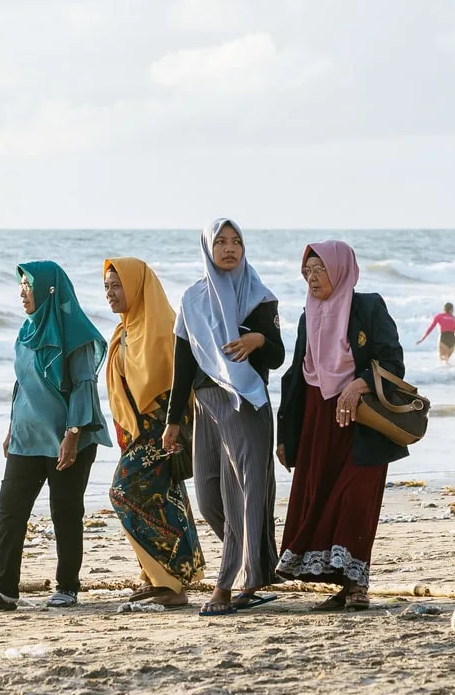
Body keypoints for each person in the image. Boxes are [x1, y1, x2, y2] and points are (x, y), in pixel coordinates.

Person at [0, 261, 112, 611]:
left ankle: (67, 586)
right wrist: (11, 428)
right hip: (27, 438)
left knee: (64, 512)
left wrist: (73, 434)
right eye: (20, 285)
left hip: (68, 438)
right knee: (11, 509)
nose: (22, 292)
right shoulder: (26, 331)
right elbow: (23, 384)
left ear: (48, 289)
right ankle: (5, 590)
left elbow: (83, 386)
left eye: (28, 285)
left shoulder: (73, 332)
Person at [276, 241, 407, 611]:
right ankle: (343, 586)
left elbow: (393, 361)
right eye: (307, 272)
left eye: (320, 269)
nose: (313, 278)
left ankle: (357, 585)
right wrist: (285, 436)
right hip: (319, 422)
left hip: (363, 422)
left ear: (339, 269)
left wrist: (359, 383)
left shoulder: (368, 306)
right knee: (321, 499)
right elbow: (297, 377)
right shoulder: (308, 314)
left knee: (355, 499)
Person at [163, 218, 284, 616]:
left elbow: (278, 357)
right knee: (209, 496)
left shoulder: (259, 297)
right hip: (205, 405)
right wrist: (173, 420)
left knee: (241, 498)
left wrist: (258, 339)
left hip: (246, 403)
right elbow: (182, 364)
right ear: (207, 248)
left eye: (236, 241)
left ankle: (227, 586)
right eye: (221, 242)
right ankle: (258, 568)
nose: (229, 248)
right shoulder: (192, 299)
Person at [104, 257, 205, 607]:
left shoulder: (163, 327)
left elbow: (182, 383)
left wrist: (176, 429)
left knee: (122, 493)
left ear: (135, 287)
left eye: (117, 286)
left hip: (163, 431)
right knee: (165, 504)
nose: (110, 294)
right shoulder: (124, 331)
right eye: (107, 287)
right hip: (136, 434)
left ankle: (171, 582)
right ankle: (162, 580)